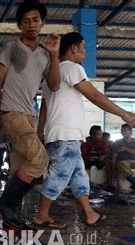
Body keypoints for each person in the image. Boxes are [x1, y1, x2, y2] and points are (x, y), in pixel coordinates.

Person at [33, 32, 135, 228]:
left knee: (79, 176)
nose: (85, 53)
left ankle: (89, 213)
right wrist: (125, 114)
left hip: (60, 135)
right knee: (59, 175)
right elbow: (95, 96)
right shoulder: (72, 68)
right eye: (84, 48)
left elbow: (44, 107)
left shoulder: (50, 75)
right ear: (73, 48)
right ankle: (42, 215)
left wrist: (41, 130)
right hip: (67, 135)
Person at [0, 0, 61, 230]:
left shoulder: (44, 53)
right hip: (12, 113)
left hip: (29, 116)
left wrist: (54, 55)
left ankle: (12, 225)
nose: (31, 24)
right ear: (20, 26)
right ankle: (4, 203)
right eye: (26, 21)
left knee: (18, 171)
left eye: (35, 20)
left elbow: (54, 85)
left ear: (42, 23)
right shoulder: (11, 48)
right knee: (41, 160)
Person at [112, 124, 135, 189]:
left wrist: (125, 148)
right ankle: (133, 181)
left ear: (130, 131)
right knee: (121, 164)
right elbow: (114, 156)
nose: (122, 132)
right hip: (122, 162)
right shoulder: (117, 142)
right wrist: (113, 170)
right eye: (122, 130)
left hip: (133, 161)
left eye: (124, 130)